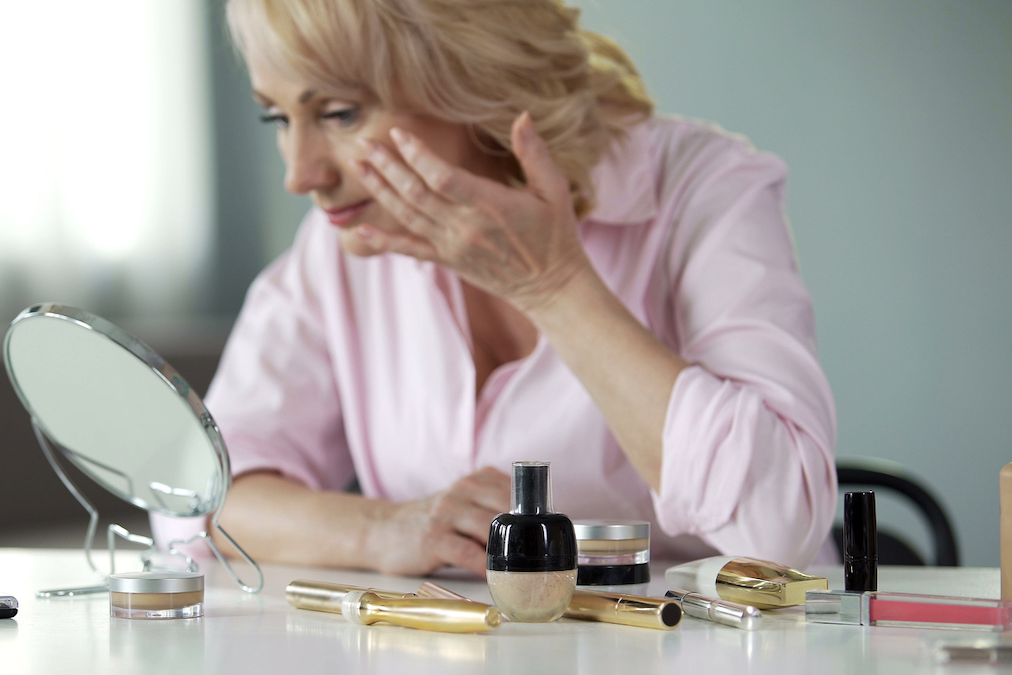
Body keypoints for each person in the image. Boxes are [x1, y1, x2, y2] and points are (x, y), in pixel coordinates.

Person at [152, 0, 837, 576]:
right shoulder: (341, 245)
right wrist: (381, 529)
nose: (300, 175)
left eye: (339, 114)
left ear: (470, 78)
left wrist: (555, 287)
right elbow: (193, 498)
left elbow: (781, 529)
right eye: (277, 118)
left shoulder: (702, 190)